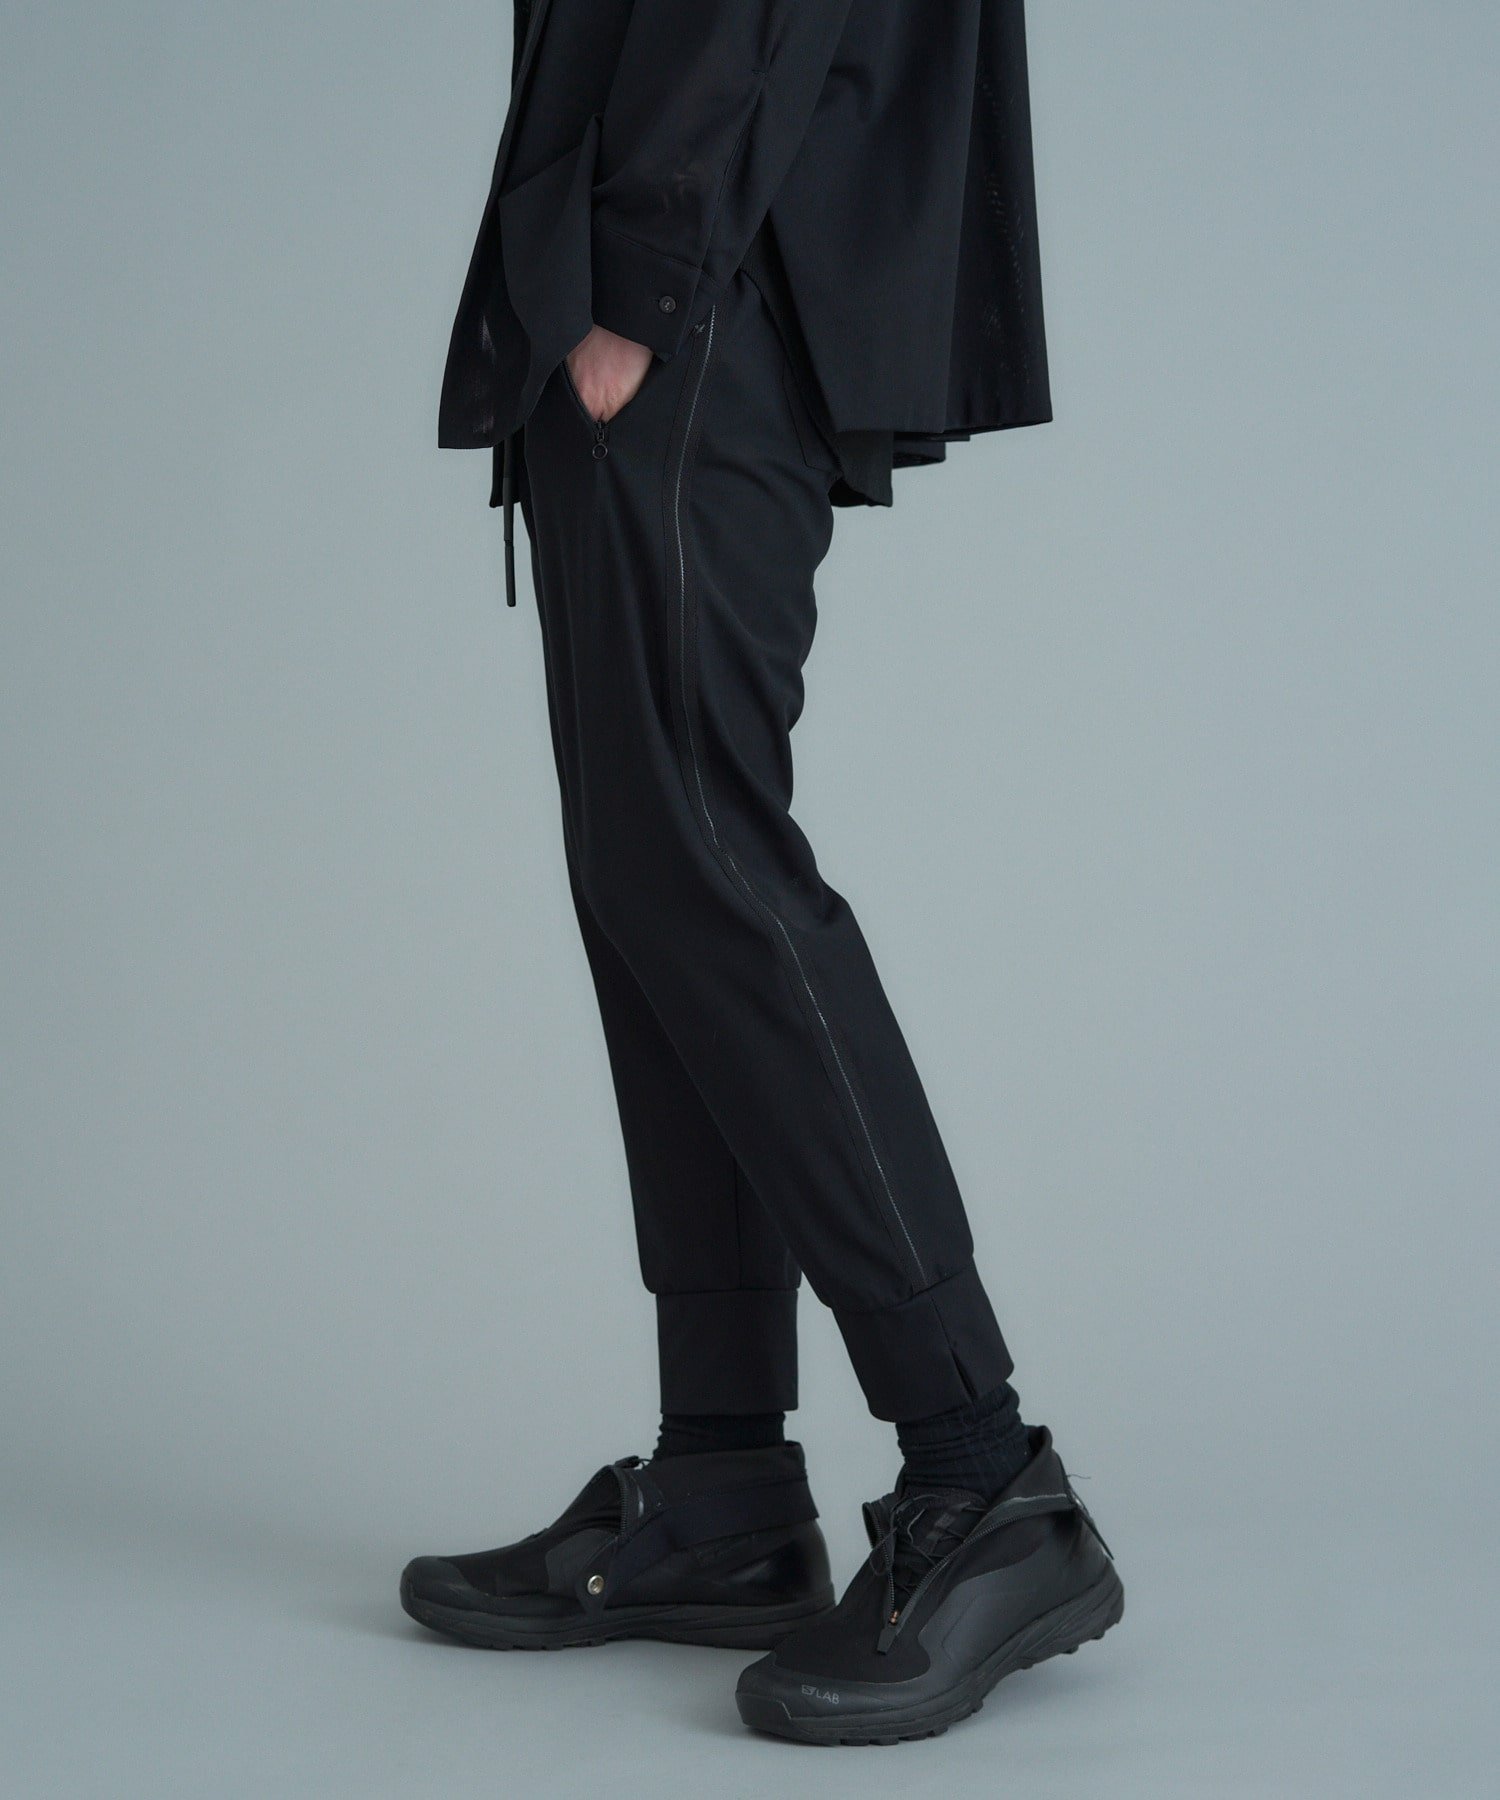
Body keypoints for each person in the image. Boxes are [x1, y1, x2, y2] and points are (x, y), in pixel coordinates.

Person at [401, 0, 1122, 1744]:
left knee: (699, 860)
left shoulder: (663, 284)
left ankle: (983, 1471)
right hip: (678, 267)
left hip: (693, 279)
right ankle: (723, 1483)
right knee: (649, 879)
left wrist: (637, 280)